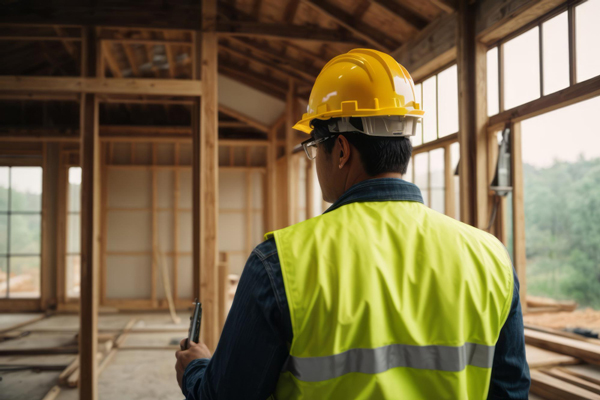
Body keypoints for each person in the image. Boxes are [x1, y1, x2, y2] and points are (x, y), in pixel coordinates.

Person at [175, 49, 530, 399]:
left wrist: (196, 367)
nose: (314, 160)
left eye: (314, 146)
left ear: (341, 150)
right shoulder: (491, 257)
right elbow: (510, 391)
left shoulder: (281, 262)